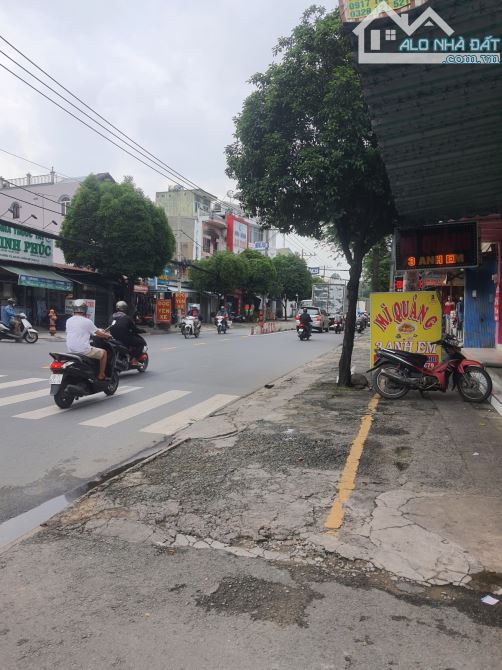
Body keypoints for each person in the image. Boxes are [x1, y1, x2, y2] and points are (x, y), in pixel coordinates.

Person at [66, 299, 111, 380]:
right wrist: (107, 335)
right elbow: (98, 334)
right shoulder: (87, 321)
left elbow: (76, 331)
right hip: (83, 350)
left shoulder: (68, 320)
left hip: (71, 350)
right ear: (85, 309)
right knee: (104, 353)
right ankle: (101, 374)